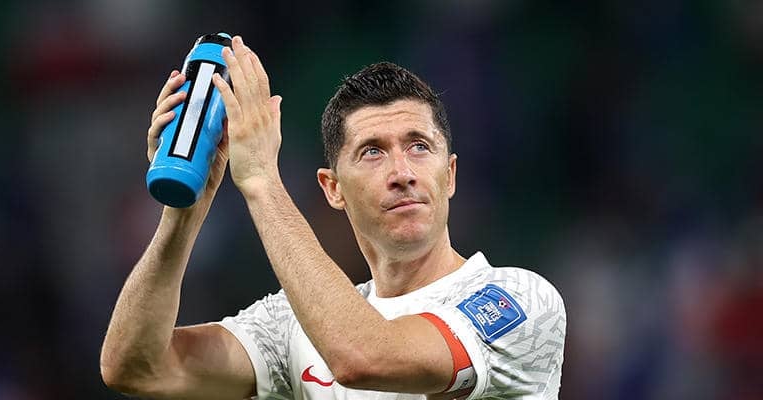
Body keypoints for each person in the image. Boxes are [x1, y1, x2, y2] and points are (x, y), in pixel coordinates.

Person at [100, 35, 566, 400]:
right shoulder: (297, 322)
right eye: (372, 152)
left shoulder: (521, 299)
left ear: (450, 175)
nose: (402, 173)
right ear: (333, 188)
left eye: (419, 146)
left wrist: (262, 180)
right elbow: (135, 367)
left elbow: (365, 357)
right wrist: (185, 209)